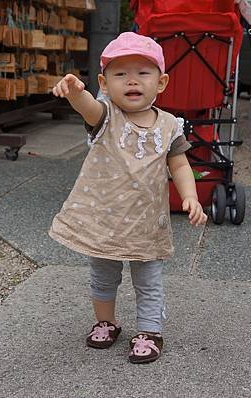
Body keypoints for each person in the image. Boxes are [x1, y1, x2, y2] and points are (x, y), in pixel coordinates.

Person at [48, 32, 207, 364]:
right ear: (105, 84)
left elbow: (178, 163)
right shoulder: (107, 116)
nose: (132, 80)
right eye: (121, 74)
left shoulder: (169, 126)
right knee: (103, 275)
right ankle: (106, 321)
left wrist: (190, 195)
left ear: (161, 82)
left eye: (143, 73)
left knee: (147, 280)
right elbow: (87, 108)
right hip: (104, 219)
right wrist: (77, 93)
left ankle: (150, 331)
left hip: (146, 223)